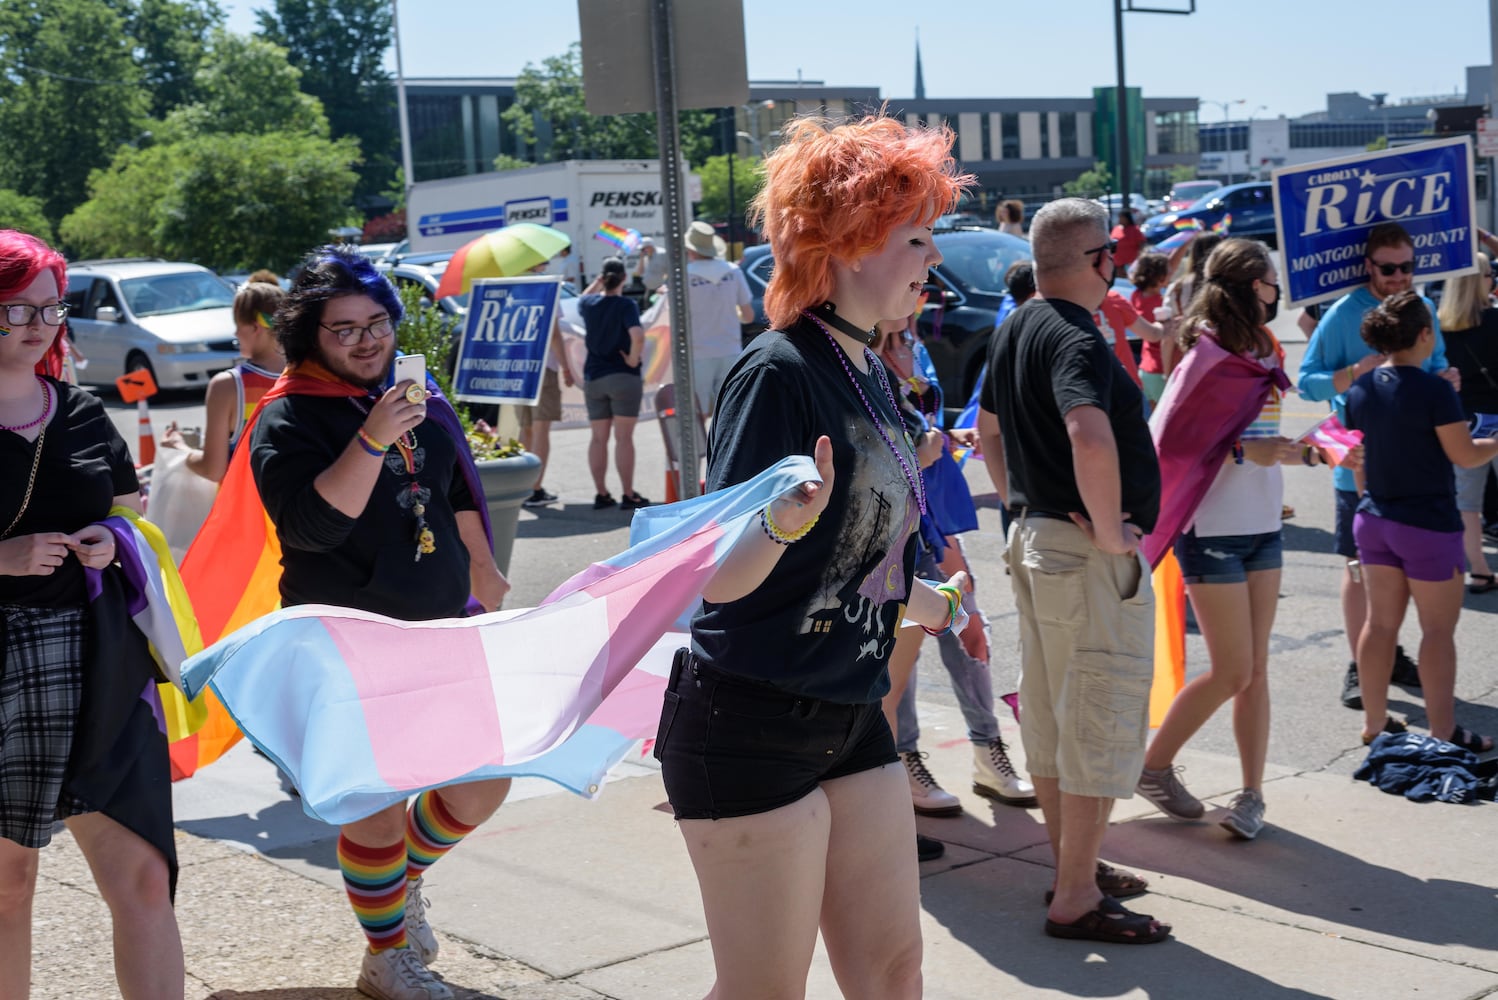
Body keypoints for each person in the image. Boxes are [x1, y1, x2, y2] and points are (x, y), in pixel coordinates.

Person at [652, 113, 975, 998]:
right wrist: (785, 523)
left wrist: (931, 602)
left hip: (850, 709)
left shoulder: (872, 367)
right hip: (750, 723)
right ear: (849, 240)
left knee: (892, 971)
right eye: (917, 237)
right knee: (766, 991)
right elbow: (719, 579)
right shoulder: (780, 372)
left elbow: (852, 562)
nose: (932, 259)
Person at [249, 246, 512, 1000]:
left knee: (482, 785)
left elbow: (451, 478)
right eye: (344, 331)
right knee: (376, 807)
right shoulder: (289, 417)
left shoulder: (409, 391)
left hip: (439, 624)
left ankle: (395, 891)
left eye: (378, 325)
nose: (368, 343)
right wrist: (369, 439)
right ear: (310, 338)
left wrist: (484, 570)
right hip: (348, 639)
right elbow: (309, 530)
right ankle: (384, 957)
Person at [978, 197, 1169, 944]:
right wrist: (1115, 531)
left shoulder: (1018, 323)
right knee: (1096, 714)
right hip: (1078, 551)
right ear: (1097, 261)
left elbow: (987, 428)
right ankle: (1076, 896)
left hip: (1036, 541)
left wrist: (1017, 503)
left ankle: (1073, 872)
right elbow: (1089, 435)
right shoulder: (1075, 336)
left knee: (1057, 720)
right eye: (1110, 255)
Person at [0, 230, 184, 998]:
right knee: (9, 883)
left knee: (143, 875)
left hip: (100, 660)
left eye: (52, 307)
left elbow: (128, 510)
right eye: (18, 309)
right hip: (5, 667)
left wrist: (112, 542)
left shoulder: (77, 407)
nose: (40, 324)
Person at [1136, 238, 1337, 841]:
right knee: (1232, 670)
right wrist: (1250, 451)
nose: (1278, 290)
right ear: (1254, 286)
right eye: (1272, 279)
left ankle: (1252, 795)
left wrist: (1308, 450)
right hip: (1213, 531)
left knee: (1255, 670)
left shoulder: (1264, 347)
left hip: (1262, 525)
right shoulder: (1205, 352)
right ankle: (1153, 767)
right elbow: (1169, 441)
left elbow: (1264, 435)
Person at [869, 319, 1037, 829]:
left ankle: (987, 751)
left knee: (967, 631)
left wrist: (944, 444)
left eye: (909, 335)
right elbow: (876, 466)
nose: (906, 345)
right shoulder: (866, 371)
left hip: (932, 524)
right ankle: (902, 766)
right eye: (894, 338)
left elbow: (924, 443)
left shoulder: (910, 362)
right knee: (901, 665)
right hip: (898, 537)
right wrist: (923, 453)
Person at [1298, 221, 1458, 711]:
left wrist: (1446, 378)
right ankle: (1359, 662)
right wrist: (1354, 374)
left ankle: (1388, 655)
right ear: (1369, 266)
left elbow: (1433, 369)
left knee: (1409, 588)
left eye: (1406, 267)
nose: (1398, 277)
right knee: (1358, 570)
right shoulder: (1343, 314)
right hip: (1356, 459)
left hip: (1418, 465)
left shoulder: (1422, 308)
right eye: (1388, 268)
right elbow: (1306, 384)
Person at [1345, 290, 1496, 754]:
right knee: (1436, 631)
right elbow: (1465, 455)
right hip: (1428, 523)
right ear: (1425, 334)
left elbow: (1357, 462)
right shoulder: (1434, 390)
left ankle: (1374, 723)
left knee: (1380, 624)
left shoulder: (1361, 387)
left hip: (1375, 518)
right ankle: (1444, 730)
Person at [162, 281, 286, 482]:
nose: (235, 334)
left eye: (238, 326)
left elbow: (214, 470)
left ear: (255, 328)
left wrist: (179, 448)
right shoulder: (306, 376)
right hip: (298, 509)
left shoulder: (229, 386)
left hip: (247, 510)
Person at [1435, 249, 1498, 592]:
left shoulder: (1440, 327)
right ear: (1481, 280)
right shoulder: (1495, 321)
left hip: (1463, 422)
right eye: (1490, 275)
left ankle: (1480, 570)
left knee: (1467, 504)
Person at [578, 257, 650, 511]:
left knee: (598, 439)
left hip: (594, 377)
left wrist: (597, 281)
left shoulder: (589, 304)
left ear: (602, 278)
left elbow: (583, 297)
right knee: (623, 438)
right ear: (624, 279)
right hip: (623, 377)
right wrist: (632, 359)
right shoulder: (626, 305)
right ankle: (628, 493)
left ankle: (601, 493)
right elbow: (637, 335)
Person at [518, 260, 580, 509]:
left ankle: (522, 485)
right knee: (541, 429)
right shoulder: (545, 287)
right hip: (543, 365)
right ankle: (534, 489)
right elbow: (553, 334)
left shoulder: (511, 285)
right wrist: (566, 366)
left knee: (526, 428)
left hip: (517, 367)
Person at [682, 220, 754, 419]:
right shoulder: (732, 270)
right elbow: (748, 316)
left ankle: (703, 451)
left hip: (698, 353)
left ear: (691, 249)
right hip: (730, 349)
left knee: (698, 413)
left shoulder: (684, 277)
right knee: (730, 411)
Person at [1130, 251, 1173, 403]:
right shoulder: (1163, 304)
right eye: (1169, 271)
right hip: (1161, 371)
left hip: (1145, 371)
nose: (1172, 273)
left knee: (1154, 424)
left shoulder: (1136, 296)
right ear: (1160, 278)